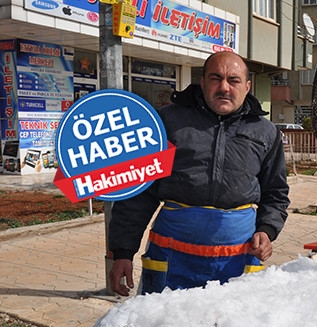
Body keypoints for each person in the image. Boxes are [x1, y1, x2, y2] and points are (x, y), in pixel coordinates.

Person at [108, 51, 290, 296]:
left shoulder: (266, 133)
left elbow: (275, 193)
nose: (224, 87)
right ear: (202, 82)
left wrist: (267, 231)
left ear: (247, 87)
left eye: (233, 80)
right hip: (171, 260)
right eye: (216, 78)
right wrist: (122, 252)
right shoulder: (167, 121)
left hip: (237, 261)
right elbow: (139, 193)